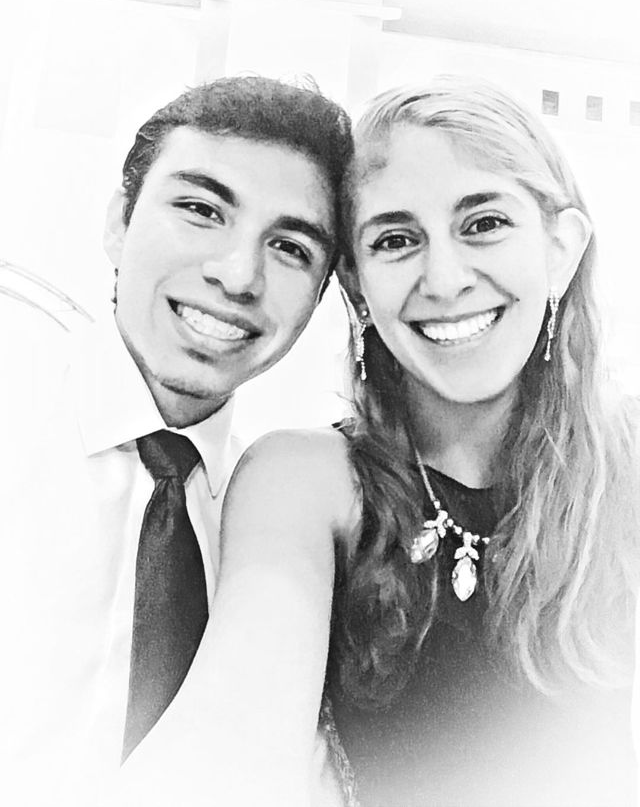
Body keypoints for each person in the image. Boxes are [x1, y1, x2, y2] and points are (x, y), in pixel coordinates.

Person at [204, 76, 640, 807]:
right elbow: (229, 741)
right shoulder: (306, 480)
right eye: (397, 240)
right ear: (356, 283)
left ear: (561, 248)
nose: (443, 279)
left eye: (484, 224)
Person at [0, 75, 352, 806]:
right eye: (200, 210)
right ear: (118, 222)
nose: (238, 275)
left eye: (290, 247)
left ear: (320, 297)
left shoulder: (279, 534)